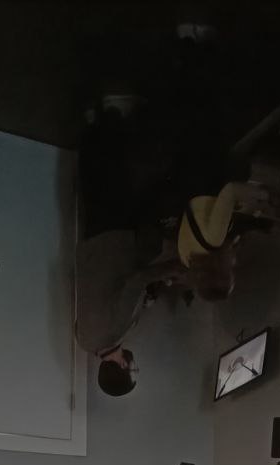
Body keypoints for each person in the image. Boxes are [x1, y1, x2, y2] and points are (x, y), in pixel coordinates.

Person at [75, 106, 175, 396]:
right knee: (94, 186)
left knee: (116, 180)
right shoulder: (85, 341)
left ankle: (112, 116)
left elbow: (137, 280)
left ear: (121, 367)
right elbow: (104, 299)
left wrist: (173, 269)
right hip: (91, 251)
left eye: (133, 370)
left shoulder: (117, 330)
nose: (135, 365)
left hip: (115, 244)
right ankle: (91, 126)